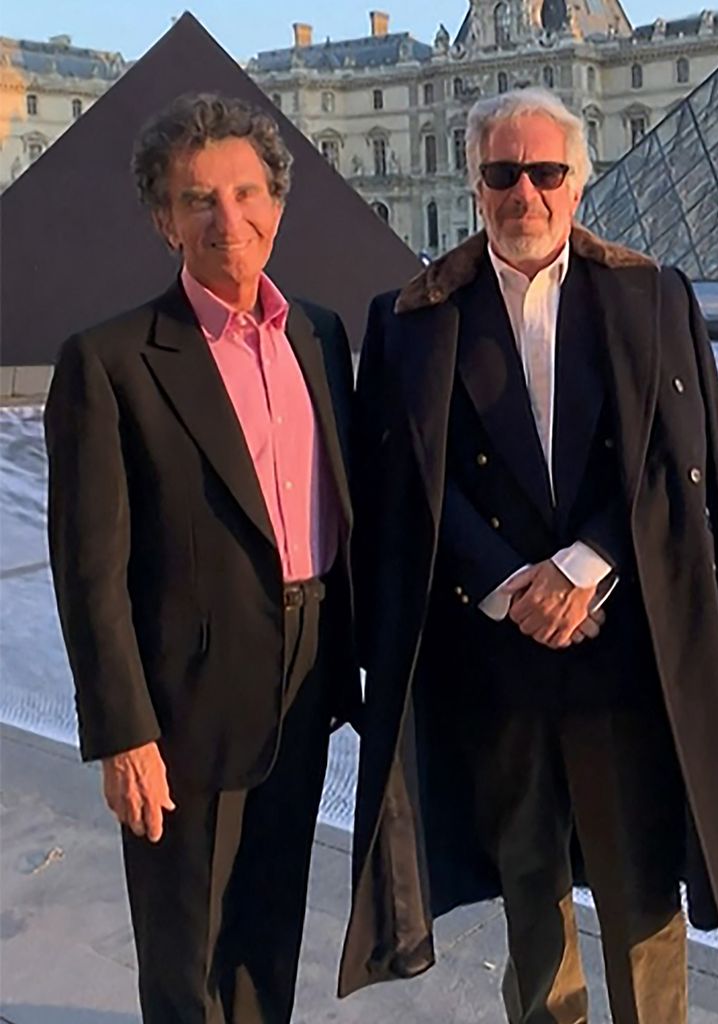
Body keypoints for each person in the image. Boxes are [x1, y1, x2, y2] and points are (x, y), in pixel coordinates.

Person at [339, 88, 718, 1024]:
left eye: (545, 172)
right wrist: (502, 579)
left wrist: (583, 565)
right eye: (503, 172)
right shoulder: (408, 315)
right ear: (475, 183)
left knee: (641, 885)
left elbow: (672, 453)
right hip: (494, 648)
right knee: (529, 883)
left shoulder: (653, 293)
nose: (524, 191)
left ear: (579, 181)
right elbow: (407, 482)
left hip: (622, 640)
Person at [45, 93, 358, 1023]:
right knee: (187, 962)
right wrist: (121, 731)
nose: (230, 219)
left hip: (303, 679)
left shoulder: (322, 336)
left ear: (279, 204)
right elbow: (88, 571)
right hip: (178, 708)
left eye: (248, 192)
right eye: (198, 200)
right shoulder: (110, 362)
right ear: (162, 220)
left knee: (269, 938)